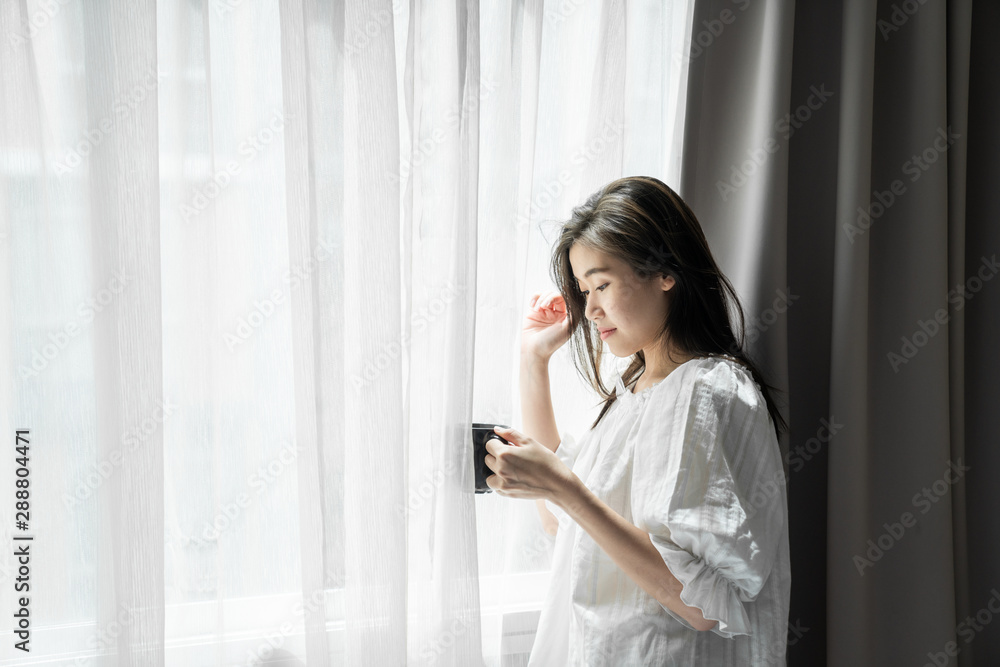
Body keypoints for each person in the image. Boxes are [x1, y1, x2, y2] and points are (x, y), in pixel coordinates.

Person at [483, 176, 791, 665]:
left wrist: (564, 487)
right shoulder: (636, 393)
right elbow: (561, 522)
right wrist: (533, 359)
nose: (590, 310)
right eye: (584, 290)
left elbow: (703, 606)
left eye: (601, 285)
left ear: (665, 272)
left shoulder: (706, 390)